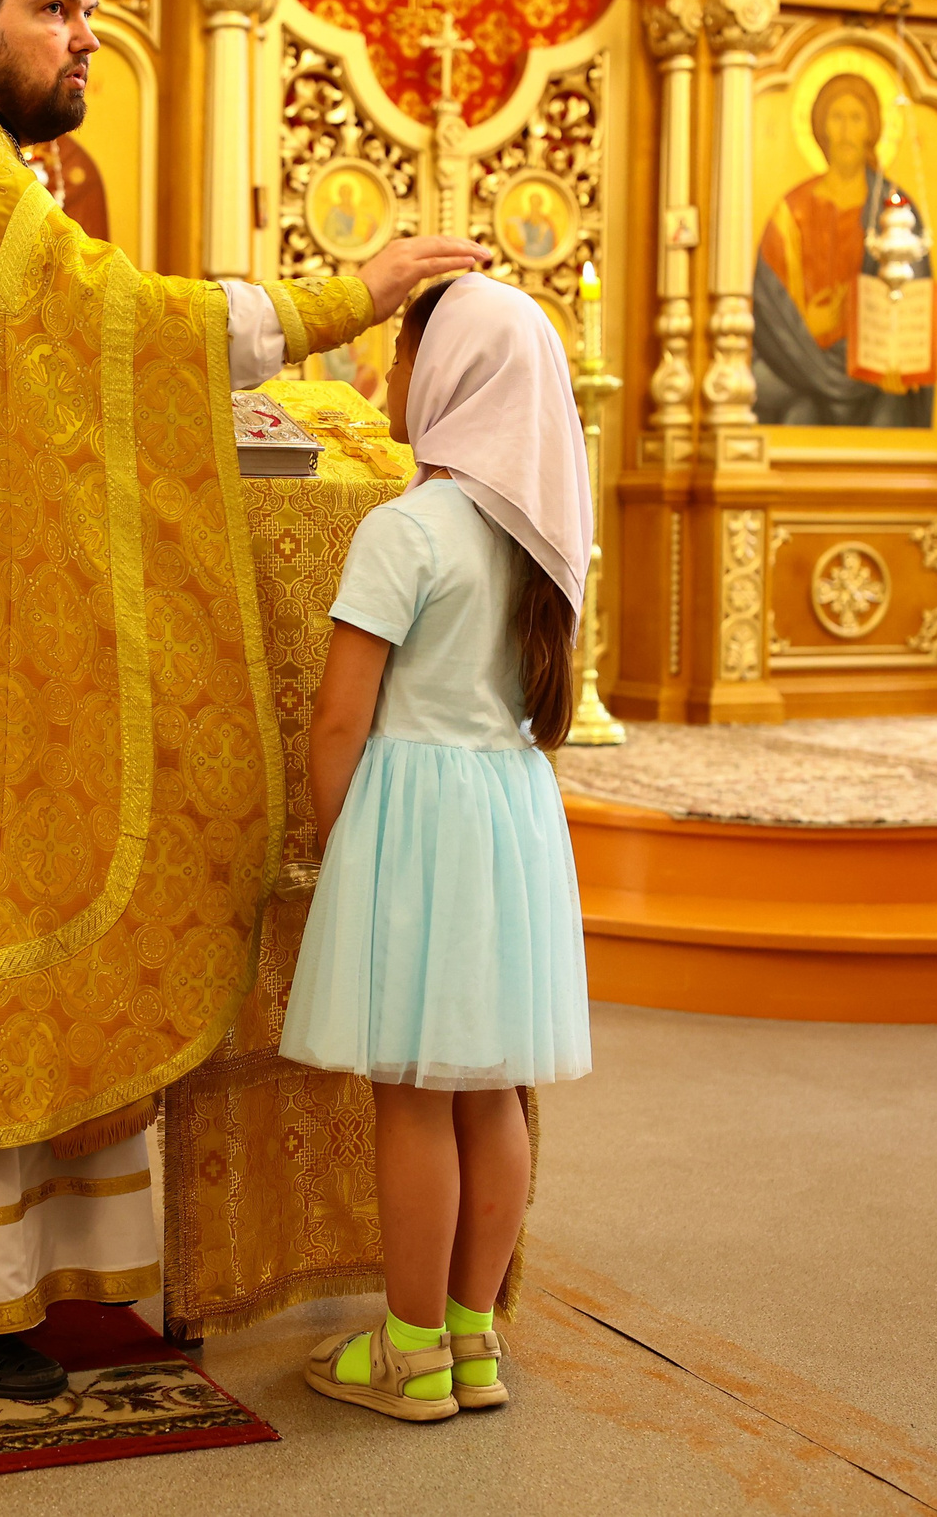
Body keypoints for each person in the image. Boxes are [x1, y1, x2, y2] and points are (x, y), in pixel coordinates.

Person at [0, 0, 488, 1406]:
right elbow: (109, 319)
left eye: (90, 13)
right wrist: (343, 299)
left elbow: (60, 363)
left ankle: (2, 1270)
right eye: (55, 9)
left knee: (5, 915)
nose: (82, 37)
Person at [281, 272, 592, 1423]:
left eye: (404, 357)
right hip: (512, 816)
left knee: (410, 1093)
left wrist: (339, 849)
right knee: (491, 1085)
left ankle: (407, 1352)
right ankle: (470, 1339)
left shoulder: (406, 527)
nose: (389, 376)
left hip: (413, 821)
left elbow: (338, 719)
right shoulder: (548, 539)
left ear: (452, 371)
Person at [751, 73, 935, 428]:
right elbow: (768, 303)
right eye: (837, 117)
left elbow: (915, 296)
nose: (846, 131)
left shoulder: (895, 208)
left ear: (872, 128)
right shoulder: (791, 210)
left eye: (856, 118)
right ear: (821, 126)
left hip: (871, 364)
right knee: (783, 403)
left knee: (892, 412)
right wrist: (809, 324)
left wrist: (897, 357)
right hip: (798, 356)